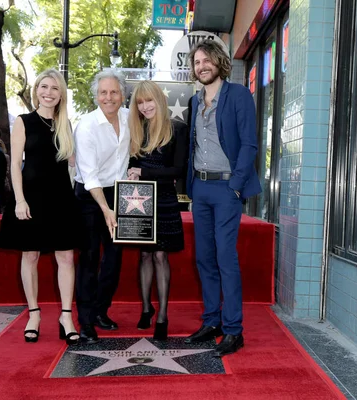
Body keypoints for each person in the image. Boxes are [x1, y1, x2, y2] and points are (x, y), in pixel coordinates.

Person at [183, 40, 261, 357]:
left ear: (219, 62)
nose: (202, 66)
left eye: (206, 60)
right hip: (200, 189)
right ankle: (211, 321)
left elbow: (248, 144)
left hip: (227, 188)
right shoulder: (193, 101)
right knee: (204, 257)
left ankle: (233, 330)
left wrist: (236, 186)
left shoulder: (238, 95)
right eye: (197, 62)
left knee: (225, 257)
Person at [0, 69, 79, 345]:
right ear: (36, 90)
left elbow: (73, 164)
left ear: (61, 94)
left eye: (55, 88)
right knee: (29, 256)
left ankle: (66, 316)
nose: (48, 92)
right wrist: (19, 199)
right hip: (30, 198)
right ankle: (34, 314)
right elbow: (14, 165)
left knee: (66, 258)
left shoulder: (66, 124)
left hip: (61, 198)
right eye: (44, 86)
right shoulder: (23, 121)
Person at [127, 80, 188, 341]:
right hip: (140, 200)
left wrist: (144, 172)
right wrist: (133, 172)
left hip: (164, 200)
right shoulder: (135, 128)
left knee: (161, 256)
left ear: (159, 100)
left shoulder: (178, 129)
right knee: (144, 256)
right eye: (140, 102)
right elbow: (129, 164)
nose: (145, 106)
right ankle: (145, 308)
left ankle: (162, 314)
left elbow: (178, 171)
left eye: (148, 100)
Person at [74, 70, 130, 344]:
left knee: (114, 258)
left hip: (119, 193)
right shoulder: (86, 126)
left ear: (122, 95)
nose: (109, 97)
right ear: (96, 96)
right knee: (89, 257)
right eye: (103, 93)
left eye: (114, 92)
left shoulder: (130, 117)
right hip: (89, 195)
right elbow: (89, 175)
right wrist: (106, 208)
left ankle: (100, 311)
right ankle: (85, 322)